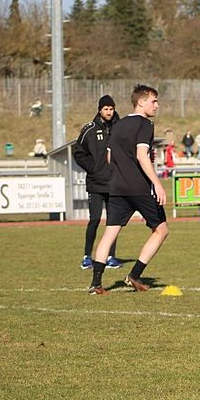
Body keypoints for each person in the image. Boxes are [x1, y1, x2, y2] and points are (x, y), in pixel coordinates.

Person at [88, 84, 169, 295]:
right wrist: (157, 183)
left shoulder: (118, 125)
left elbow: (109, 157)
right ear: (140, 102)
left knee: (109, 234)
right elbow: (141, 156)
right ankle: (134, 275)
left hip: (117, 187)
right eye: (153, 101)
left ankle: (96, 284)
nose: (156, 105)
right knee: (161, 230)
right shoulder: (145, 125)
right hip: (138, 187)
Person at [73, 95, 122, 271]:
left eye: (111, 109)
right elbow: (78, 153)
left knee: (113, 221)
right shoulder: (90, 129)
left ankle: (110, 257)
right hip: (95, 183)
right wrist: (92, 168)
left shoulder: (120, 128)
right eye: (106, 109)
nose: (109, 112)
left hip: (114, 183)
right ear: (100, 110)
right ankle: (87, 256)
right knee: (94, 219)